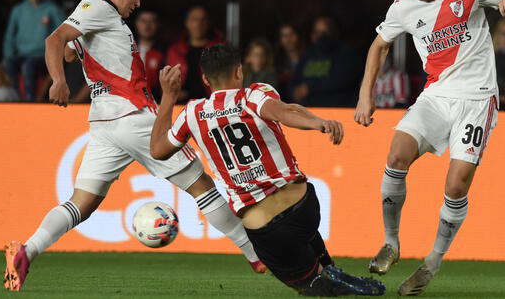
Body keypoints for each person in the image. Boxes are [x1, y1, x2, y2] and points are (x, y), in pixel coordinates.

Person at [3, 0, 265, 292]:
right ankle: (255, 253)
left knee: (81, 203)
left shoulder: (93, 15)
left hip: (104, 124)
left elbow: (69, 50)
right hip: (133, 117)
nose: (138, 2)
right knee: (201, 186)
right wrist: (59, 82)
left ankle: (28, 250)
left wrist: (78, 48)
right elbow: (54, 41)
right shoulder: (99, 8)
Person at [353, 0, 505, 296]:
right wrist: (364, 96)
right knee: (396, 154)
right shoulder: (403, 8)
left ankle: (432, 261)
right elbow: (379, 45)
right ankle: (390, 242)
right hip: (436, 97)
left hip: (478, 100)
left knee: (455, 186)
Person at [149, 44, 385, 296]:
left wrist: (168, 97)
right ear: (239, 72)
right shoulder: (255, 94)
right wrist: (318, 122)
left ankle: (326, 284)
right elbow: (284, 111)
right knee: (302, 233)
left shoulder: (192, 113)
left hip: (265, 228)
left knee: (307, 285)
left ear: (205, 79)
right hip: (304, 207)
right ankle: (329, 268)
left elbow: (157, 150)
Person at [3, 0, 65, 101]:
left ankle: (29, 102)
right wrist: (9, 54)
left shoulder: (52, 9)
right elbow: (10, 36)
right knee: (8, 63)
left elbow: (62, 33)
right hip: (21, 54)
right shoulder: (18, 10)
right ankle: (17, 98)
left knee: (28, 66)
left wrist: (58, 56)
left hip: (41, 57)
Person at [290, 16, 362, 107]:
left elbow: (341, 80)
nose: (321, 36)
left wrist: (310, 87)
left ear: (335, 33)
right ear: (312, 35)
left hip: (338, 109)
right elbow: (294, 81)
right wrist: (294, 91)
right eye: (317, 32)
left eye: (325, 32)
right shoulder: (308, 55)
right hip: (308, 111)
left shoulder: (346, 54)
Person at [166, 5, 225, 102]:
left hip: (213, 103)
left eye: (203, 20)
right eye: (195, 19)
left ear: (209, 22)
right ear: (187, 22)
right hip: (182, 104)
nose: (199, 24)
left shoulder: (220, 48)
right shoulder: (175, 50)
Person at [135, 9, 167, 99]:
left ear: (158, 24)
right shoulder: (126, 48)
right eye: (143, 21)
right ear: (136, 23)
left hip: (156, 101)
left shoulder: (165, 51)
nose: (147, 26)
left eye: (152, 21)